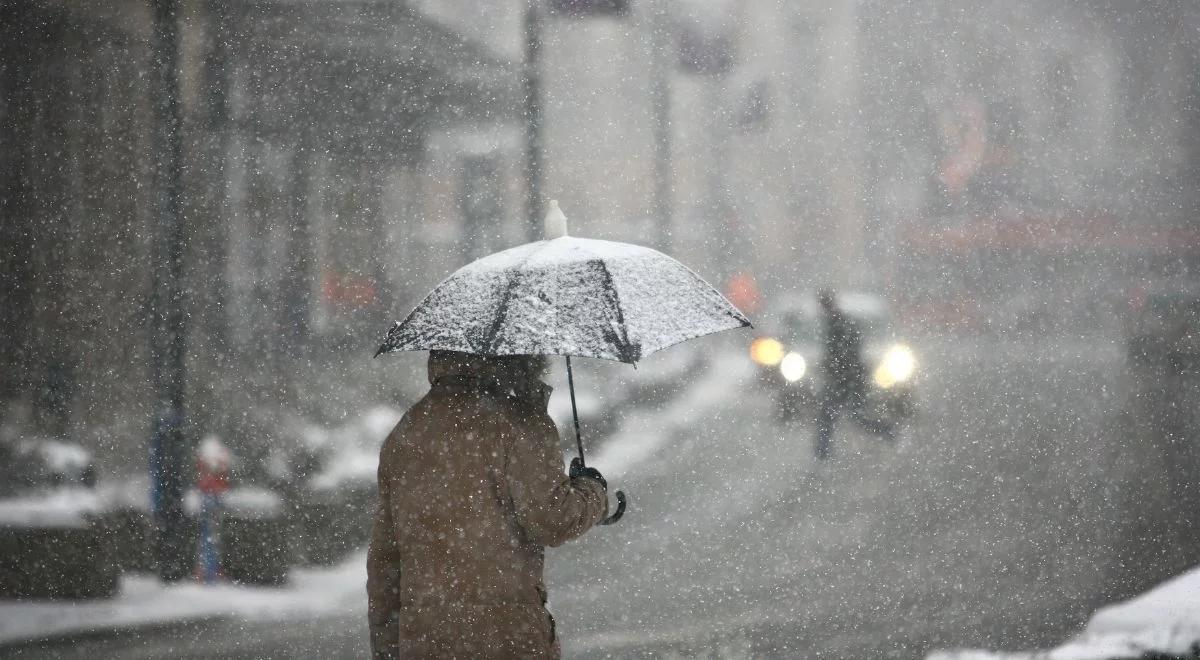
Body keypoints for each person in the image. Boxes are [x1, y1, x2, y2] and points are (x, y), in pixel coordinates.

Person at [367, 350, 609, 659]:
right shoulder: (520, 422)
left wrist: (388, 648)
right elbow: (553, 519)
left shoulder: (405, 433)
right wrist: (592, 491)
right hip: (507, 636)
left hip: (425, 639)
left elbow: (385, 564)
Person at [814, 289, 872, 460]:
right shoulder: (838, 322)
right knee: (848, 417)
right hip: (847, 378)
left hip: (845, 379)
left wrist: (833, 367)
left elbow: (843, 353)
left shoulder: (838, 323)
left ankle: (822, 455)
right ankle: (822, 454)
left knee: (843, 417)